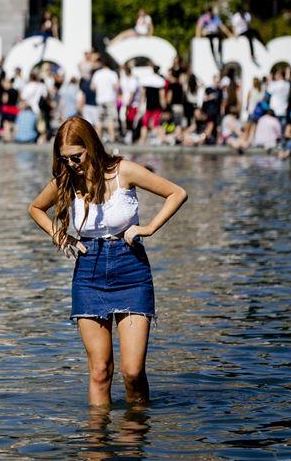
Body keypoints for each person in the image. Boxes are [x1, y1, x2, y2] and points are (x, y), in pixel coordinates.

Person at [28, 116, 187, 407]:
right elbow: (36, 208)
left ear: (90, 146)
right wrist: (61, 236)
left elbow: (177, 193)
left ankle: (134, 436)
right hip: (88, 273)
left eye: (76, 157)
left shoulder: (123, 171)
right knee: (100, 371)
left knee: (132, 372)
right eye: (64, 159)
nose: (71, 164)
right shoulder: (67, 178)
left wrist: (148, 228)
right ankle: (97, 447)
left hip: (131, 269)